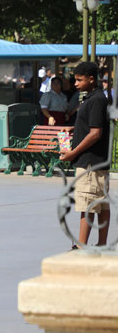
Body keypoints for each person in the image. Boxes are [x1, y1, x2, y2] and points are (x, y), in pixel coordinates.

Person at [60, 61, 111, 248]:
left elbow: (96, 133)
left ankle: (81, 246)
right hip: (96, 161)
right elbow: (93, 125)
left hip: (90, 161)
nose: (75, 83)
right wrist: (74, 128)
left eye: (79, 80)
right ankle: (101, 244)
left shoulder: (96, 99)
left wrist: (72, 153)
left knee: (87, 204)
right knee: (100, 203)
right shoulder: (92, 98)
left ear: (91, 79)